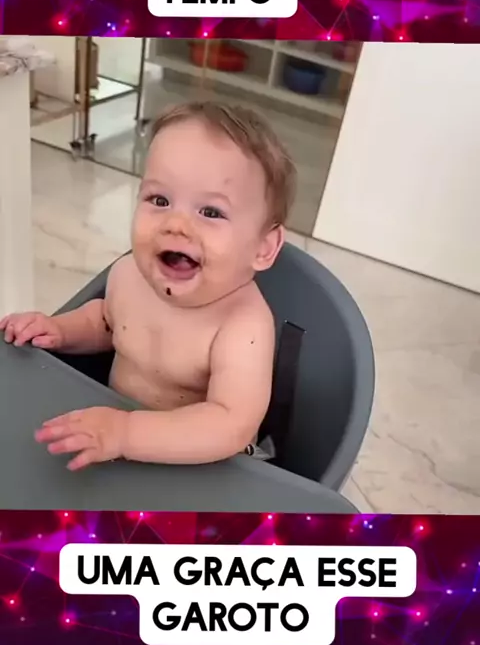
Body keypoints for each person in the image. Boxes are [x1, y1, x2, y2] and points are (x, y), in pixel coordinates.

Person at [0, 101, 296, 471]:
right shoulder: (129, 275)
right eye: (160, 200)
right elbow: (106, 322)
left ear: (263, 248)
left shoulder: (242, 325)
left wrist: (126, 433)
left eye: (211, 212)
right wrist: (59, 329)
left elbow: (231, 424)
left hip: (205, 468)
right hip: (116, 442)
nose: (175, 224)